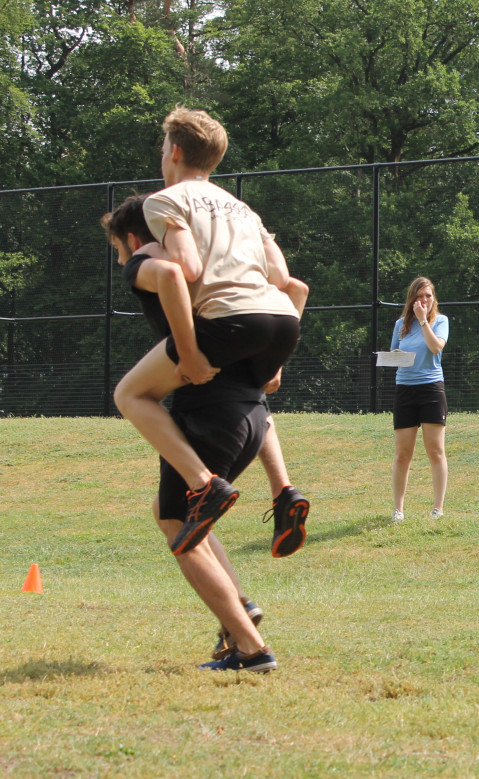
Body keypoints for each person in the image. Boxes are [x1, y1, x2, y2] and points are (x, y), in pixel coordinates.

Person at [119, 105, 306, 557]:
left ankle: (206, 487)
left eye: (163, 148)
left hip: (230, 319)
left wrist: (188, 352)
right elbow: (285, 280)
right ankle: (283, 493)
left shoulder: (164, 201)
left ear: (176, 152)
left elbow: (188, 267)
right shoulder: (244, 209)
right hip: (282, 321)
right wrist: (275, 361)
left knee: (129, 394)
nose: (162, 157)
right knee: (250, 396)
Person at [390, 277, 448, 521]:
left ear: (433, 298)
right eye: (420, 296)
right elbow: (395, 354)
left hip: (431, 390)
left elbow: (436, 348)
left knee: (436, 451)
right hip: (405, 389)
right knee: (403, 454)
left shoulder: (440, 321)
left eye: (428, 296)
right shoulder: (401, 324)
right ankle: (398, 510)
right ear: (412, 299)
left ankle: (437, 509)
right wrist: (391, 358)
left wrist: (424, 321)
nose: (424, 300)